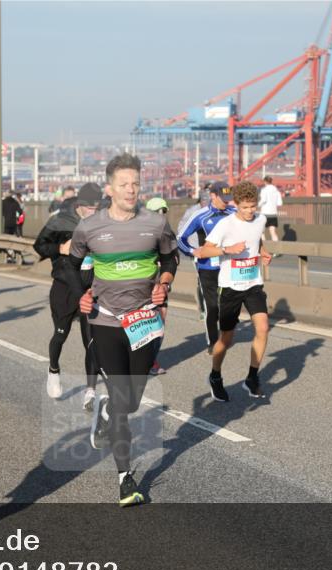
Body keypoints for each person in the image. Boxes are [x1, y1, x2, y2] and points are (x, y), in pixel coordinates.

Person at [67, 153, 177, 507]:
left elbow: (170, 258)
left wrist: (164, 282)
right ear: (110, 188)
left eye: (136, 184)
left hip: (144, 320)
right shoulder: (89, 228)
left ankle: (107, 413)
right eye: (124, 184)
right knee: (120, 395)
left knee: (129, 400)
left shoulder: (155, 224)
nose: (131, 190)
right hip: (107, 320)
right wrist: (82, 294)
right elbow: (74, 265)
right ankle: (125, 478)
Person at [196, 181, 273, 401]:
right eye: (245, 207)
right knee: (226, 339)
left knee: (263, 328)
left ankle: (252, 377)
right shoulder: (225, 224)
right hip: (230, 287)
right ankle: (215, 375)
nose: (250, 211)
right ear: (236, 204)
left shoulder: (261, 220)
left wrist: (264, 252)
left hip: (253, 284)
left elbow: (256, 240)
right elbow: (204, 251)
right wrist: (227, 250)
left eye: (253, 206)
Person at [33, 183, 102, 407]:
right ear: (80, 205)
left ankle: (91, 390)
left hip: (90, 288)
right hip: (64, 287)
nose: (94, 211)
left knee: (91, 341)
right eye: (90, 208)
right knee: (60, 336)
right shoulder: (60, 220)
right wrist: (60, 248)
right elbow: (39, 245)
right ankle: (53, 369)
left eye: (97, 207)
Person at [176, 181, 236, 351]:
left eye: (228, 199)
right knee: (212, 306)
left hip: (229, 265)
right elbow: (181, 238)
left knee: (228, 305)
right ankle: (213, 342)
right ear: (213, 196)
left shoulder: (233, 213)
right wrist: (192, 251)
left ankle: (226, 334)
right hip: (207, 267)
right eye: (223, 199)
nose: (226, 202)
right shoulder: (200, 215)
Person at [144, 197, 175, 376]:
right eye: (157, 212)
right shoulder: (138, 231)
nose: (161, 215)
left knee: (159, 325)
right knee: (138, 325)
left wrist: (165, 283)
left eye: (164, 211)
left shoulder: (168, 233)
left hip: (159, 287)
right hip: (139, 286)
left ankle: (151, 361)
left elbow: (172, 260)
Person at [259, 175, 283, 245]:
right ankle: (276, 250)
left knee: (261, 232)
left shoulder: (264, 190)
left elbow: (263, 200)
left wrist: (258, 205)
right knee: (273, 232)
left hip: (265, 214)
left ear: (265, 182)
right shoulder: (277, 191)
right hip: (273, 213)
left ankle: (265, 249)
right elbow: (280, 203)